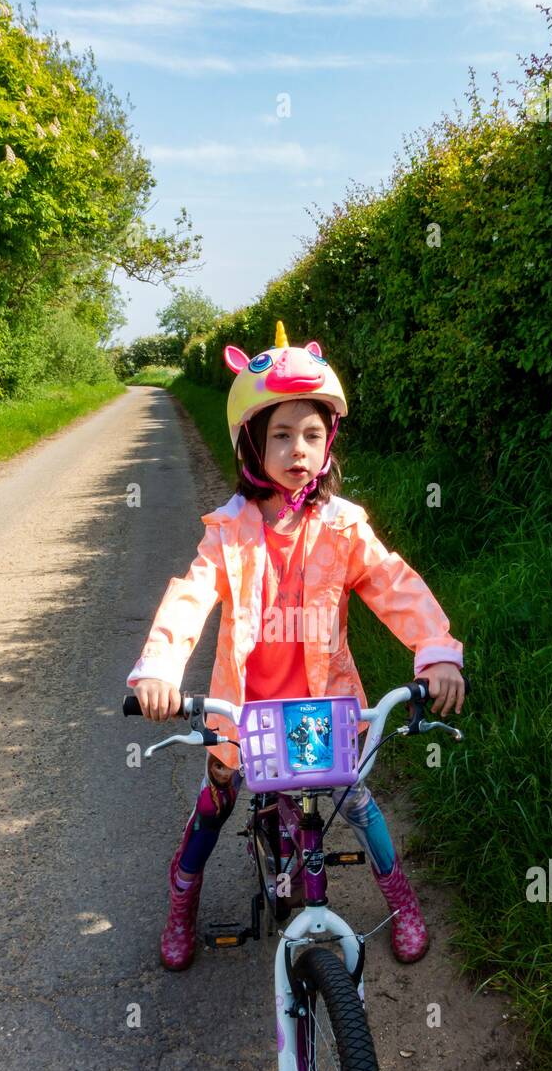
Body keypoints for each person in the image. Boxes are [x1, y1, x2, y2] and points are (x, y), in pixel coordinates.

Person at [128, 320, 466, 970]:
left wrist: (437, 649)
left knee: (359, 803)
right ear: (251, 445)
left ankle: (401, 900)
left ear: (329, 442)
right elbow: (190, 597)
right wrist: (161, 668)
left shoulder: (342, 527)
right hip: (242, 715)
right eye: (280, 434)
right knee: (216, 803)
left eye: (312, 434)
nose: (298, 449)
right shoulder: (228, 533)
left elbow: (395, 585)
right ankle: (182, 897)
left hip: (325, 710)